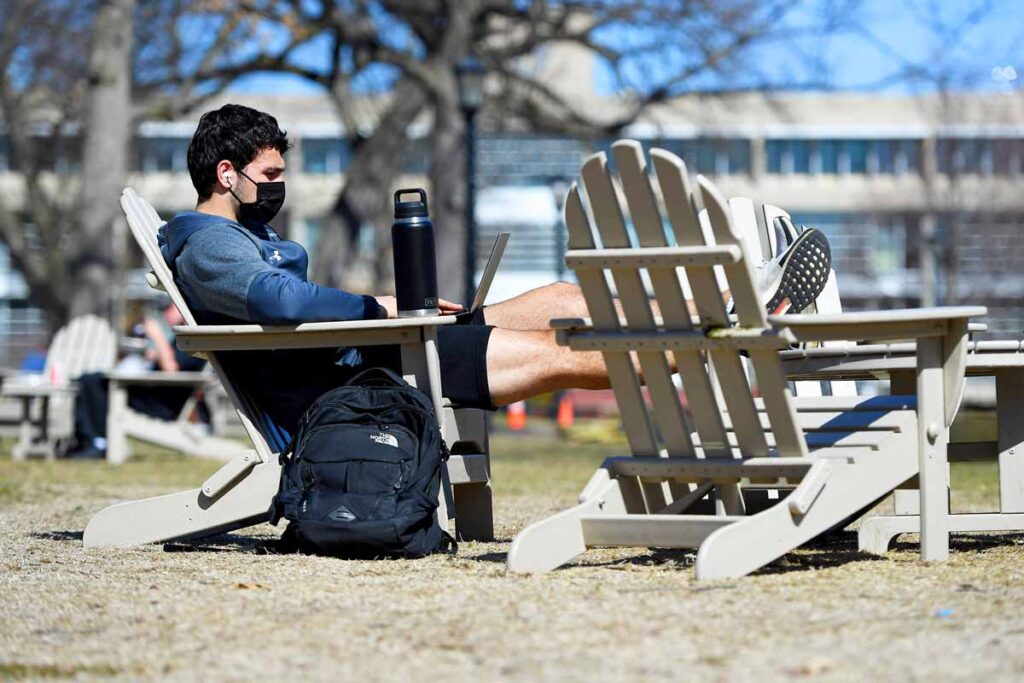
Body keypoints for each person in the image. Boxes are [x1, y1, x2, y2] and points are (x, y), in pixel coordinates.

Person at [158, 104, 831, 437]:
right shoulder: (208, 243)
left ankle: (710, 306)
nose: (278, 187)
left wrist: (390, 308)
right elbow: (277, 304)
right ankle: (727, 334)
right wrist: (377, 309)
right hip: (364, 381)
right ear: (227, 173)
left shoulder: (240, 235)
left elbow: (286, 299)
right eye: (270, 176)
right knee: (559, 351)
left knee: (565, 297)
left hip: (386, 351)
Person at [67, 302, 207, 459]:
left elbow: (171, 369)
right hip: (151, 393)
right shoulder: (180, 339)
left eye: (171, 306)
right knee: (90, 380)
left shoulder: (194, 342)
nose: (166, 311)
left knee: (96, 383)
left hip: (161, 404)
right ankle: (88, 441)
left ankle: (98, 442)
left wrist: (157, 336)